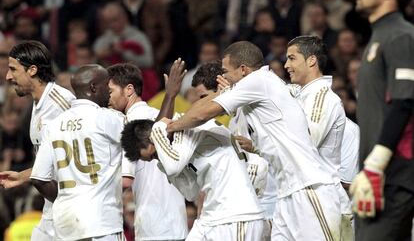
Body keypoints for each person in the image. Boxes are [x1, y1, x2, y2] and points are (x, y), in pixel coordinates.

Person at [167, 41, 342, 240]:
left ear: (243, 70)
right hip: (285, 195)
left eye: (225, 71)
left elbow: (202, 114)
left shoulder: (258, 81)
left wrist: (170, 126)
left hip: (310, 187)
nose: (223, 77)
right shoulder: (259, 88)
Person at [121, 118, 265, 240]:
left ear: (153, 138)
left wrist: (158, 128)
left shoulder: (187, 127)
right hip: (213, 216)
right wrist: (164, 165)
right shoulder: (179, 150)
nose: (158, 159)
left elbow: (173, 166)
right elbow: (191, 193)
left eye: (154, 154)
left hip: (236, 215)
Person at [350, 0, 414, 240]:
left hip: (393, 175)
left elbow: (405, 102)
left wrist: (375, 166)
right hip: (380, 175)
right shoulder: (379, 36)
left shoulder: (400, 35)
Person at [30, 64, 125, 241]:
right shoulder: (107, 118)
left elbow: (38, 178)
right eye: (106, 86)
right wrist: (170, 96)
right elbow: (146, 136)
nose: (109, 91)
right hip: (101, 221)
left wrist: (65, 200)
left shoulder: (54, 124)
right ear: (94, 87)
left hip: (66, 223)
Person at [0, 40, 75, 241]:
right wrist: (22, 176)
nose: (8, 77)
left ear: (32, 70)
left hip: (71, 205)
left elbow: (78, 154)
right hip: (54, 204)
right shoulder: (38, 104)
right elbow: (52, 160)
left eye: (13, 70)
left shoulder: (62, 104)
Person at [107, 61, 188, 241]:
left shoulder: (131, 122)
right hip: (174, 221)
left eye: (110, 91)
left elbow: (125, 180)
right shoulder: (159, 114)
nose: (107, 98)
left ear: (129, 89)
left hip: (156, 226)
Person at [191, 61, 272, 240]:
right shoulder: (228, 121)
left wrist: (255, 148)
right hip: (236, 212)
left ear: (220, 89)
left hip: (266, 207)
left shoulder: (252, 110)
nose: (201, 104)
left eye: (204, 97)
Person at [284, 35, 353, 239]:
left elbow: (306, 145)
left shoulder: (323, 98)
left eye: (292, 58)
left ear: (311, 60)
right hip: (300, 199)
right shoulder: (299, 94)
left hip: (323, 201)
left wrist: (258, 147)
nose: (286, 65)